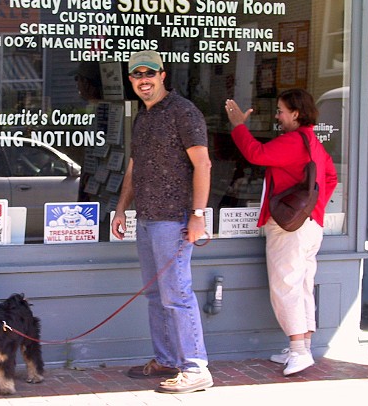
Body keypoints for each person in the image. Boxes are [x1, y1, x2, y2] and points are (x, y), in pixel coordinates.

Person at [111, 51, 213, 394]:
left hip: (175, 219)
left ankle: (196, 368)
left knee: (177, 295)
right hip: (148, 218)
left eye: (150, 73)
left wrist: (198, 216)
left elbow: (203, 165)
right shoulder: (143, 116)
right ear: (131, 80)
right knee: (156, 295)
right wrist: (122, 208)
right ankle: (167, 358)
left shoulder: (183, 112)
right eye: (137, 74)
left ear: (162, 75)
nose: (144, 79)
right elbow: (133, 167)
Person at [225, 89, 337, 376]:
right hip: (311, 226)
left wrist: (238, 126)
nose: (277, 116)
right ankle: (303, 346)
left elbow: (256, 154)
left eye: (281, 111)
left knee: (285, 287)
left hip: (291, 227)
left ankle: (299, 351)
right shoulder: (313, 142)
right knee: (302, 286)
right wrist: (314, 206)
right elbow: (330, 177)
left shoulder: (293, 141)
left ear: (295, 114)